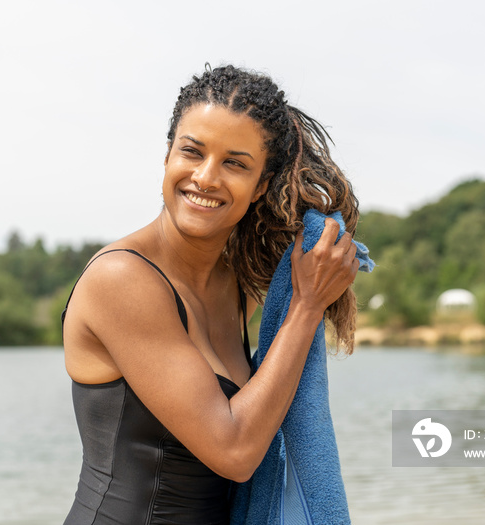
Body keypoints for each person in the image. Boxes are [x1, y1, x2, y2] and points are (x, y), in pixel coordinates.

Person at [62, 64, 361, 525]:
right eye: (192, 152)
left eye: (235, 163)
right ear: (167, 156)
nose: (205, 177)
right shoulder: (121, 279)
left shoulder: (236, 285)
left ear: (261, 185)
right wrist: (305, 307)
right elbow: (235, 450)